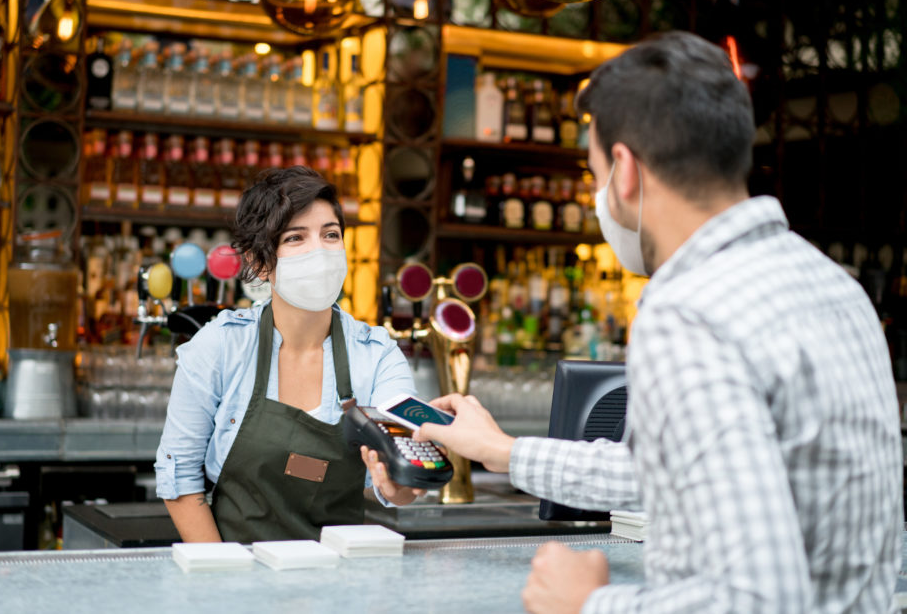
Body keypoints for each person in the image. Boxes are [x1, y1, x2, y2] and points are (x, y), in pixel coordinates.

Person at [414, 32, 903, 613]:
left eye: (594, 173)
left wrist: (588, 604)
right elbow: (670, 472)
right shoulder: (834, 287)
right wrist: (502, 451)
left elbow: (759, 599)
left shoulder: (690, 314)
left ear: (623, 171)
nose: (600, 196)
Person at [155, 166, 424, 543]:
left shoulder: (377, 356)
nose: (320, 251)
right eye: (296, 238)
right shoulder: (220, 347)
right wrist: (222, 578)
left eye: (330, 235)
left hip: (340, 586)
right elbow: (178, 478)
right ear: (260, 262)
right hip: (236, 580)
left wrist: (401, 484)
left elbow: (396, 471)